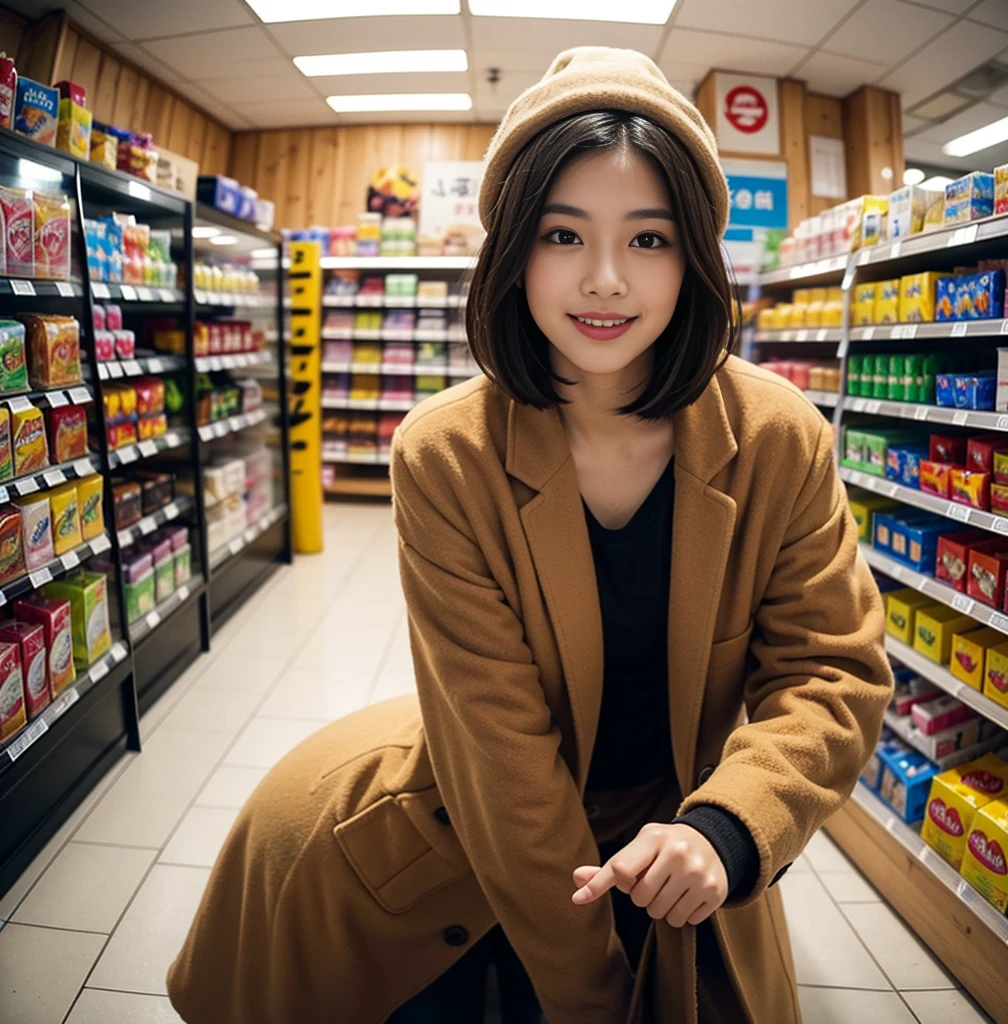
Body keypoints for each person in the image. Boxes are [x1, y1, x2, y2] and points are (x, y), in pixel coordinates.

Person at [166, 47, 893, 1024]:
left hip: (682, 842)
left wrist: (727, 825)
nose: (602, 280)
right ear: (513, 248)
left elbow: (831, 672)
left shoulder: (777, 439)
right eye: (562, 233)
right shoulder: (443, 455)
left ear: (695, 256)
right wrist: (594, 998)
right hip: (451, 840)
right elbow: (503, 764)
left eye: (648, 239)